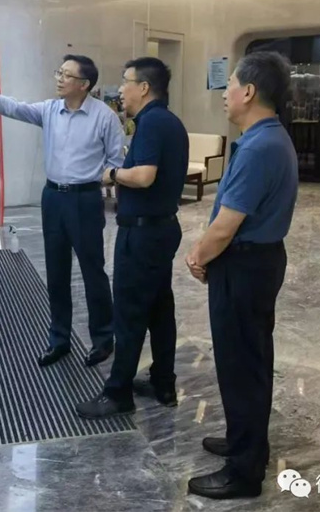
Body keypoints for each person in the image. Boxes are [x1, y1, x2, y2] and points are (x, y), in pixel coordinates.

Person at [0, 56, 124, 368]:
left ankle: (102, 340)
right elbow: (14, 108)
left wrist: (101, 185)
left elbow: (116, 163)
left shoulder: (104, 117)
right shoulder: (50, 110)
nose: (59, 78)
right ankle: (59, 339)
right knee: (56, 272)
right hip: (53, 198)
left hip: (85, 199)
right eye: (59, 72)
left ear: (84, 84)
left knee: (93, 272)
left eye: (66, 75)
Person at [184, 51, 297, 500]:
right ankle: (245, 441)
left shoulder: (259, 147)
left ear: (248, 91)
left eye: (229, 84)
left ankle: (244, 472)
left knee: (242, 365)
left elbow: (226, 225)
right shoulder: (268, 138)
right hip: (256, 261)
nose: (224, 94)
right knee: (249, 359)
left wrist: (198, 256)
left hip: (246, 263)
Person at [76, 57, 188, 419]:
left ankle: (118, 392)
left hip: (142, 234)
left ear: (144, 87)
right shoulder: (167, 121)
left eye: (126, 81)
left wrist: (111, 173)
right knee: (159, 308)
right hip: (160, 229)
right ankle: (163, 382)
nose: (120, 89)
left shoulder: (152, 122)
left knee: (129, 312)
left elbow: (143, 176)